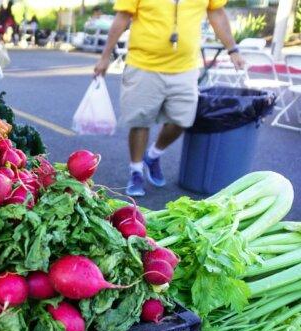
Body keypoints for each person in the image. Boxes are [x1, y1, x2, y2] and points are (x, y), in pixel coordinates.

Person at [93, 0, 244, 197]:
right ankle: (136, 171)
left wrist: (233, 49)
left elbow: (217, 13)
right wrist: (105, 57)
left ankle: (153, 155)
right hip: (143, 64)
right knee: (140, 121)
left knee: (183, 119)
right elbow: (122, 18)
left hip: (185, 67)